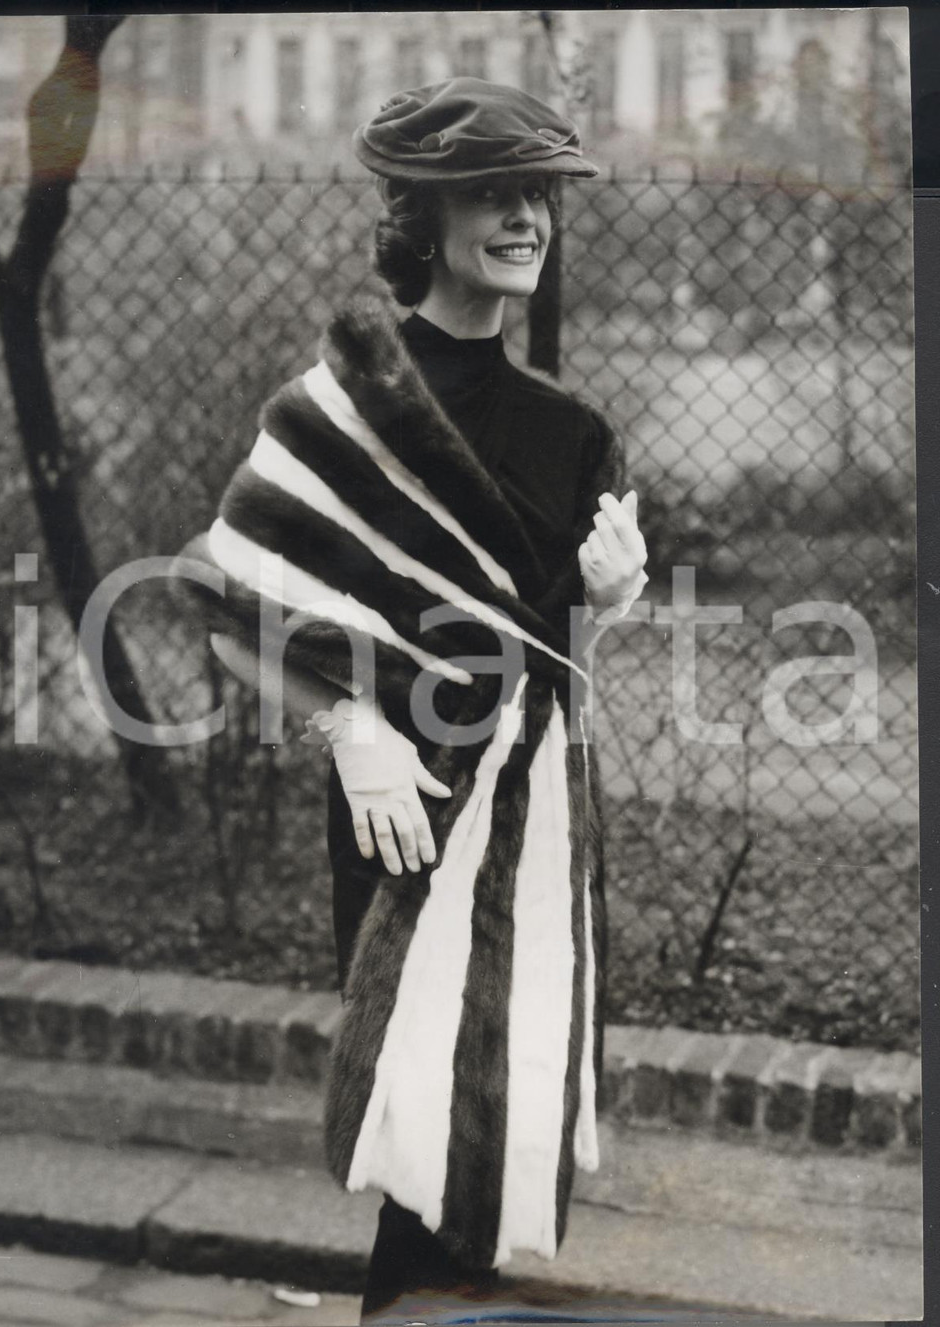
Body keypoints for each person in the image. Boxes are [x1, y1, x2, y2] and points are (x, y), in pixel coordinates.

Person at [173, 77, 648, 1323]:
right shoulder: (342, 409)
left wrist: (616, 594)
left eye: (537, 194)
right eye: (493, 193)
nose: (525, 218)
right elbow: (231, 614)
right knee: (428, 1136)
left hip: (534, 826)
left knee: (478, 1146)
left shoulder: (575, 431)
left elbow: (555, 646)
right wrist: (353, 727)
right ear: (421, 221)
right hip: (399, 814)